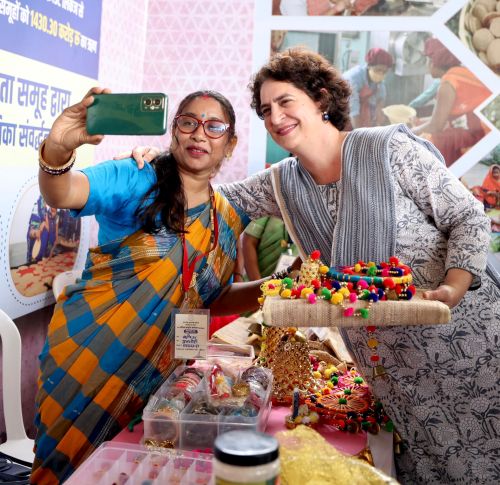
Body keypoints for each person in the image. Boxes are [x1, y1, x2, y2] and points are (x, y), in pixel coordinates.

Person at [130, 47, 499, 484]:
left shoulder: (389, 149)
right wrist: (159, 164)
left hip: (468, 341)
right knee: (440, 466)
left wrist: (453, 288)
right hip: (394, 373)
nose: (275, 117)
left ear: (321, 100)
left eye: (286, 102)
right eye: (266, 110)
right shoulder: (283, 182)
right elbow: (211, 200)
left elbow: (468, 218)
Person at [32, 87, 270, 484]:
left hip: (160, 375)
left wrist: (280, 285)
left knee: (134, 472)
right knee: (68, 473)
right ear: (174, 131)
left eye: (214, 127)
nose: (199, 134)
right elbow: (62, 192)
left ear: (230, 144)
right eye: (188, 122)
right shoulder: (136, 176)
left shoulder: (225, 217)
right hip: (90, 356)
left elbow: (212, 298)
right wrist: (58, 148)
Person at [412, 38, 491, 167]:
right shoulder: (461, 72)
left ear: (434, 62)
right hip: (479, 128)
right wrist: (420, 122)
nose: (427, 66)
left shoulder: (449, 82)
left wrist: (409, 132)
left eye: (427, 60)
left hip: (482, 133)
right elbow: (444, 118)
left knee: (437, 140)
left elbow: (436, 126)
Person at [343, 47, 393, 128]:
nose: (381, 74)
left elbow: (381, 96)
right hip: (345, 113)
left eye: (384, 72)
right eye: (378, 70)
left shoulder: (378, 82)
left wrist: (379, 108)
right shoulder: (353, 78)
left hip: (362, 116)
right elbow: (353, 110)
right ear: (369, 65)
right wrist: (361, 136)